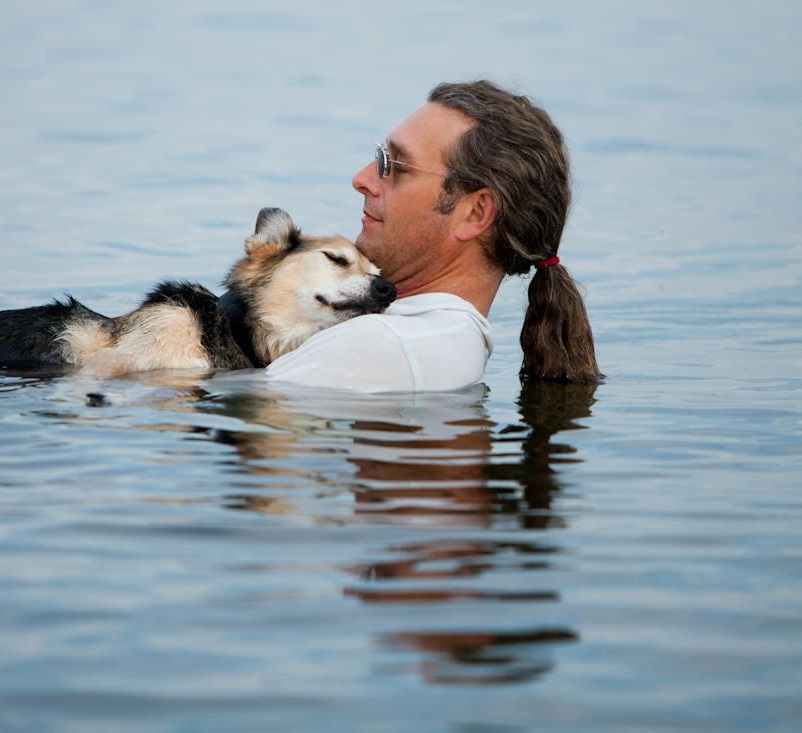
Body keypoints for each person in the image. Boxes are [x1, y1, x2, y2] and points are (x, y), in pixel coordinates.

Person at [265, 80, 601, 392]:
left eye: (395, 166)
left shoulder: (383, 344)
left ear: (475, 214)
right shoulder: (441, 339)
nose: (362, 178)